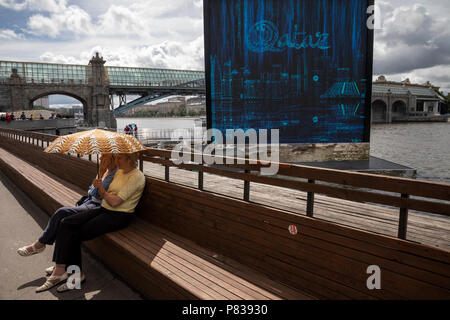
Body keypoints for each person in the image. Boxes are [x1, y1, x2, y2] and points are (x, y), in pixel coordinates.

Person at [35, 152, 145, 293]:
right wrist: (99, 186)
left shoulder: (137, 177)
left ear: (130, 159)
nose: (116, 160)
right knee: (65, 223)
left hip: (119, 215)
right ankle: (63, 269)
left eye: (119, 158)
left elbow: (116, 202)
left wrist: (102, 191)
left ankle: (73, 275)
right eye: (116, 157)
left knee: (74, 233)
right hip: (104, 208)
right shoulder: (120, 172)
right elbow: (104, 195)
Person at [17, 154, 118, 263]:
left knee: (62, 213)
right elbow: (90, 190)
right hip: (88, 202)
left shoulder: (113, 174)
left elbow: (97, 194)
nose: (100, 158)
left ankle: (40, 244)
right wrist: (99, 177)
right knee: (62, 223)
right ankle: (59, 266)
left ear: (112, 158)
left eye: (104, 156)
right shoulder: (104, 172)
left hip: (96, 207)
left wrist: (100, 175)